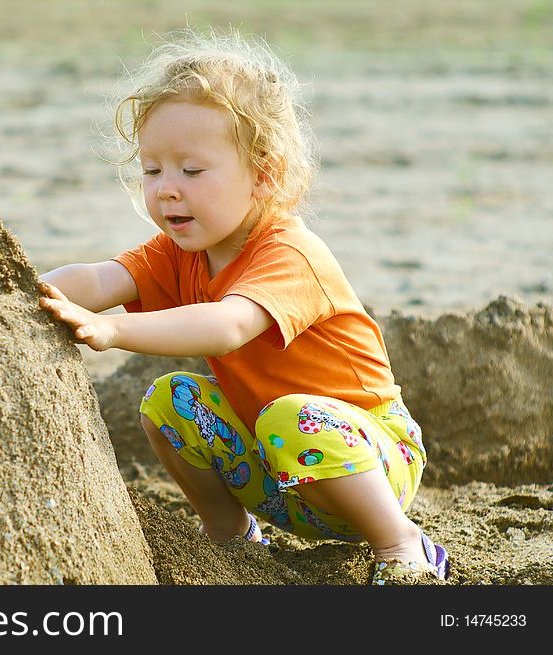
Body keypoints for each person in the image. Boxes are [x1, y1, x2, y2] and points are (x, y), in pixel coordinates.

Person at [38, 28, 448, 585]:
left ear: (264, 174)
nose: (165, 189)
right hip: (278, 469)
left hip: (372, 460)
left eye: (191, 169)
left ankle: (402, 543)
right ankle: (231, 536)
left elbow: (228, 326)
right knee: (170, 401)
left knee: (291, 417)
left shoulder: (289, 252)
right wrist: (21, 288)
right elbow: (98, 278)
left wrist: (110, 333)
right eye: (153, 169)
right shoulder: (178, 252)